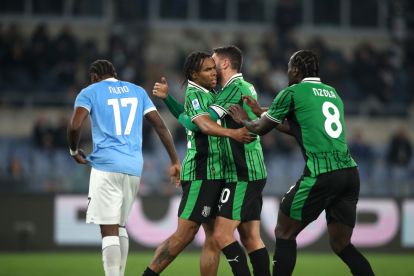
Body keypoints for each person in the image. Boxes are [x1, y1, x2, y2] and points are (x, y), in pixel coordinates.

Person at [227, 50, 375, 276]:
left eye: (288, 67)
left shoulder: (292, 92)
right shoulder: (332, 93)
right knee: (341, 245)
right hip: (350, 173)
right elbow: (299, 126)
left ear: (295, 69)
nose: (287, 71)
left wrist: (244, 120)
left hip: (322, 172)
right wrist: (262, 111)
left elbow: (260, 129)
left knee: (284, 232)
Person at [154, 46, 270, 276]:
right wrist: (170, 100)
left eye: (214, 63)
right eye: (208, 67)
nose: (213, 67)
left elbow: (199, 122)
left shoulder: (233, 88)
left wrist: (170, 101)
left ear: (225, 63)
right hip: (228, 171)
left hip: (239, 171)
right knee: (244, 238)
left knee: (220, 236)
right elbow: (195, 123)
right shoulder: (219, 90)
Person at [67, 59, 181, 276]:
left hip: (106, 166)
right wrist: (175, 160)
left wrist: (73, 151)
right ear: (115, 74)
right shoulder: (137, 91)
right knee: (119, 225)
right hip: (133, 168)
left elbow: (74, 125)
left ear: (94, 77)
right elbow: (160, 125)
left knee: (108, 228)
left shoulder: (90, 91)